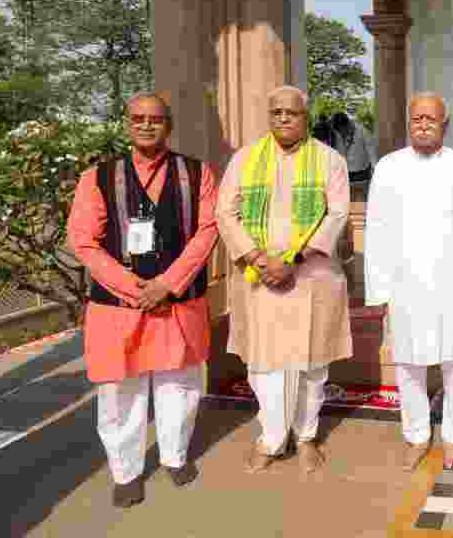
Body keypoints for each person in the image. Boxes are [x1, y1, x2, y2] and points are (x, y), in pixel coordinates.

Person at [67, 92, 220, 507]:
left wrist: (167, 284)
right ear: (127, 123)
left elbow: (208, 230)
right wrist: (136, 288)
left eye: (155, 119)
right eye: (138, 118)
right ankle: (125, 472)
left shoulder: (197, 173)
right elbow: (83, 240)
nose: (147, 125)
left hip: (177, 299)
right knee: (120, 391)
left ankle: (174, 456)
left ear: (169, 125)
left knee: (179, 384)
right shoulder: (98, 177)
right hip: (119, 305)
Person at [216, 85, 353, 473]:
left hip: (311, 276)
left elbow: (337, 214)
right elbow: (225, 212)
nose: (283, 118)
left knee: (312, 362)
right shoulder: (245, 159)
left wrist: (293, 260)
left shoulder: (329, 159)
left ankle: (306, 436)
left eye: (291, 112)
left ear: (305, 116)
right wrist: (259, 258)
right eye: (276, 112)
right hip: (259, 276)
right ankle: (271, 438)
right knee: (264, 363)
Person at [364, 92, 453, 471]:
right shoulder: (389, 167)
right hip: (404, 283)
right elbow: (377, 229)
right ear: (409, 123)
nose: (423, 125)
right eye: (417, 119)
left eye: (431, 119)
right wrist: (379, 289)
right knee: (408, 364)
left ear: (445, 125)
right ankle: (417, 435)